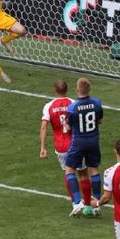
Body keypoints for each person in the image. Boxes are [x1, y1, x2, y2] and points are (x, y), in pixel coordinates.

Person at [39, 80, 94, 215]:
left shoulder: (49, 106)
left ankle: (76, 202)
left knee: (68, 173)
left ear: (54, 90)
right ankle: (87, 206)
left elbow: (44, 126)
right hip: (76, 143)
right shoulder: (73, 103)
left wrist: (43, 147)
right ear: (67, 89)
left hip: (61, 146)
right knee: (83, 173)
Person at [63, 77, 104, 217]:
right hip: (93, 140)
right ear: (89, 89)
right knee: (94, 170)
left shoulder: (72, 107)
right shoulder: (97, 103)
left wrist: (65, 125)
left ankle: (77, 202)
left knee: (69, 171)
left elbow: (68, 127)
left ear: (77, 90)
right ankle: (97, 203)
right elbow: (100, 121)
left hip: (78, 142)